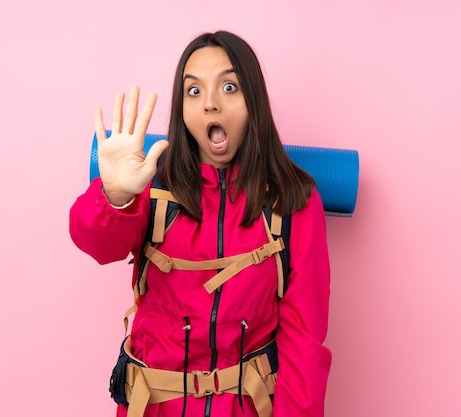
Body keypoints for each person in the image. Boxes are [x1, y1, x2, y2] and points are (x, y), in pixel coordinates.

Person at [69, 31, 331, 417]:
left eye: (229, 87)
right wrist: (113, 194)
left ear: (254, 101)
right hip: (154, 407)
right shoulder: (149, 183)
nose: (210, 104)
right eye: (194, 92)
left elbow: (304, 345)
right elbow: (97, 244)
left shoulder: (295, 202)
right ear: (181, 108)